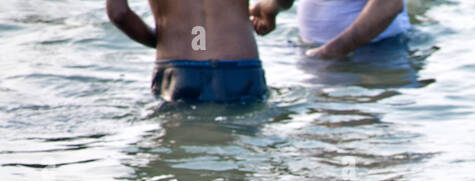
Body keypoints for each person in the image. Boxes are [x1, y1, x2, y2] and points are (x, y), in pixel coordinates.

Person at [106, 0, 270, 103]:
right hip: (241, 69)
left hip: (179, 71)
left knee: (181, 152)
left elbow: (118, 13)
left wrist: (163, 41)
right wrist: (270, 11)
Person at [250, 0, 409, 59]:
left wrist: (330, 52)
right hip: (316, 53)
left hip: (378, 53)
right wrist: (270, 8)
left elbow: (389, 5)